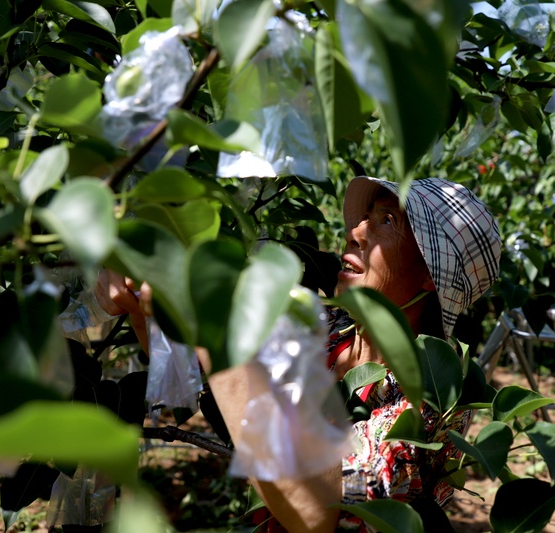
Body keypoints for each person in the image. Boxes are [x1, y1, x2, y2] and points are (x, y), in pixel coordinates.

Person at [96, 176, 501, 532]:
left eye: (388, 221)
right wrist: (144, 294)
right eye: (366, 216)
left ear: (430, 275)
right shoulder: (327, 328)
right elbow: (198, 373)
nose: (356, 231)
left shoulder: (431, 396)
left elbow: (319, 509)